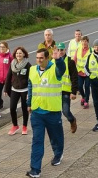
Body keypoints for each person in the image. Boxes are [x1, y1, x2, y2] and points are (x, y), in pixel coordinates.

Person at [26, 48, 66, 178]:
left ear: (47, 58)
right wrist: (29, 103)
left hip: (52, 111)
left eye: (41, 58)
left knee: (55, 137)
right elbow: (31, 86)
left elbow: (62, 69)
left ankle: (58, 153)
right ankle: (35, 170)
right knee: (37, 140)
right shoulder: (32, 69)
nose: (38, 60)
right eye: (37, 58)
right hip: (37, 112)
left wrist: (58, 59)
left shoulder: (55, 69)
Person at [3, 46, 32, 136]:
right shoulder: (12, 64)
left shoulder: (27, 65)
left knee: (24, 109)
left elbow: (30, 79)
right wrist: (6, 89)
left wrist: (30, 92)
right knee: (12, 108)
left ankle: (24, 126)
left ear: (24, 54)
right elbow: (8, 77)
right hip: (14, 89)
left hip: (25, 89)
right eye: (17, 53)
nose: (18, 55)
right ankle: (15, 126)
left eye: (20, 53)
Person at [56, 42, 79, 134]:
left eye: (61, 50)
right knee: (56, 112)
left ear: (65, 50)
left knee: (65, 111)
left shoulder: (70, 62)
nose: (60, 51)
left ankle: (72, 120)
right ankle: (57, 128)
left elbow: (74, 77)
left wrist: (74, 92)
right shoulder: (52, 61)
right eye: (58, 50)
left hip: (66, 91)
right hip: (55, 91)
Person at [0, 41, 13, 118]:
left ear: (6, 48)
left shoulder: (10, 57)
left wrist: (10, 77)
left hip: (8, 79)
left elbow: (12, 67)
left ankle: (13, 107)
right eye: (0, 47)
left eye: (3, 47)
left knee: (10, 93)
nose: (1, 48)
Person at [74, 36, 92, 109]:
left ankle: (86, 101)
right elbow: (75, 59)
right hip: (79, 72)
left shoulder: (91, 50)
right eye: (83, 41)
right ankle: (83, 96)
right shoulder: (78, 49)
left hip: (87, 72)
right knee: (80, 86)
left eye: (85, 41)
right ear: (81, 42)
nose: (84, 43)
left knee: (87, 87)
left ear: (88, 42)